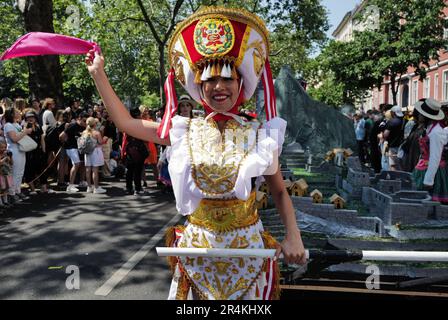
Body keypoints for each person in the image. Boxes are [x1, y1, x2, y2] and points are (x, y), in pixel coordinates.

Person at [86, 6, 306, 300]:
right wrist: (99, 74)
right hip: (197, 251)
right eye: (209, 80)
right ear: (198, 87)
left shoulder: (260, 134)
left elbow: (279, 192)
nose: (219, 87)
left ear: (241, 83)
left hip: (248, 253)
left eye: (227, 78)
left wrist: (294, 236)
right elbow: (126, 123)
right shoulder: (182, 130)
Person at [412, 98, 448, 204]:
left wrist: (429, 179)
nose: (419, 116)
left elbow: (435, 157)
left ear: (426, 116)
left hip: (434, 171)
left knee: (430, 203)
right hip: (424, 167)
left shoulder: (436, 132)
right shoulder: (429, 128)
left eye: (421, 114)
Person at [3, 107, 32, 202]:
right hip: (13, 151)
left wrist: (25, 130)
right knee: (14, 172)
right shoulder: (8, 125)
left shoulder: (17, 124)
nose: (19, 112)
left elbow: (21, 136)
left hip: (21, 150)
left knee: (20, 172)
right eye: (16, 112)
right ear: (11, 114)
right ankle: (12, 193)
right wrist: (25, 132)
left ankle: (18, 191)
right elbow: (14, 139)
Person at [22, 110, 54, 194]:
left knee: (42, 169)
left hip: (38, 151)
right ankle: (32, 189)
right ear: (26, 118)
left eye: (32, 117)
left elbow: (42, 139)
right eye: (28, 117)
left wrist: (44, 151)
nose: (30, 119)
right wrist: (28, 127)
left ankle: (44, 188)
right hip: (29, 152)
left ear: (35, 118)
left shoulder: (38, 126)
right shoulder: (25, 127)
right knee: (30, 170)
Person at [121, 108, 149, 196]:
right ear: (137, 115)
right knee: (137, 170)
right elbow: (144, 137)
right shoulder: (141, 124)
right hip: (139, 148)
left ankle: (129, 188)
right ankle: (137, 188)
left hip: (130, 149)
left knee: (130, 170)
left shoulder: (127, 124)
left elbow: (125, 137)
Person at [60, 112, 88, 192]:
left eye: (86, 121)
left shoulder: (85, 127)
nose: (85, 122)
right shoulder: (72, 125)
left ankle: (82, 181)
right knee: (76, 164)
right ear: (79, 118)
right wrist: (65, 143)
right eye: (84, 120)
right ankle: (70, 186)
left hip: (80, 148)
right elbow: (61, 136)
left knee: (83, 164)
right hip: (71, 148)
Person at [82, 117, 107, 194]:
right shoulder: (97, 133)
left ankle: (89, 187)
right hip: (95, 152)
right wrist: (105, 140)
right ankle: (96, 188)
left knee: (88, 169)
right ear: (94, 124)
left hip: (87, 152)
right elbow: (100, 142)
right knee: (95, 170)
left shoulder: (84, 132)